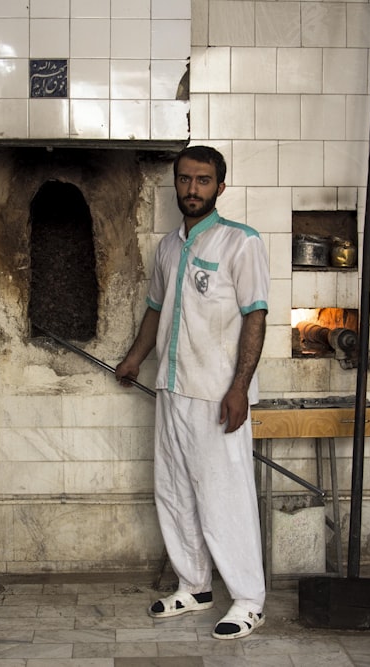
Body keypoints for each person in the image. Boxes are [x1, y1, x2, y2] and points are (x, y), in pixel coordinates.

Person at [115, 145, 269, 640]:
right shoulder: (166, 247)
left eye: (203, 180)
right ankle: (194, 585)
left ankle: (248, 599)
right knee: (176, 490)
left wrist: (240, 388)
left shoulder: (240, 244)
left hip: (217, 393)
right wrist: (137, 358)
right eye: (185, 179)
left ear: (220, 187)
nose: (192, 189)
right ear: (176, 184)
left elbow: (256, 316)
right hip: (172, 387)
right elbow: (157, 311)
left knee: (225, 495)